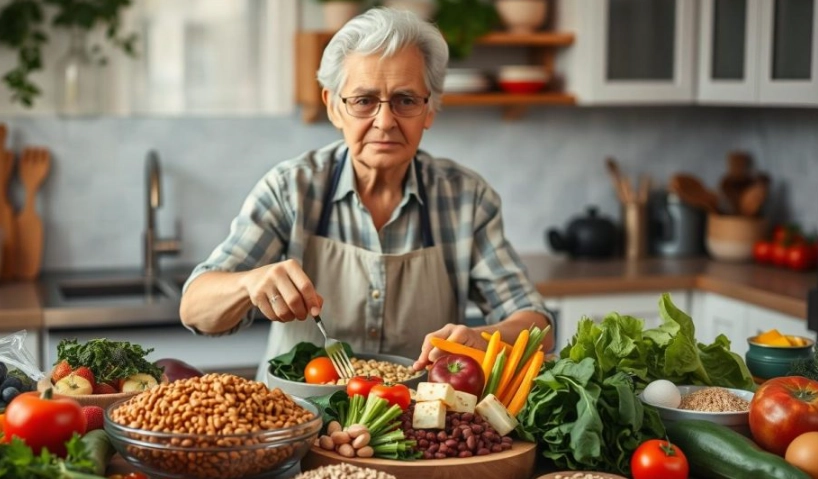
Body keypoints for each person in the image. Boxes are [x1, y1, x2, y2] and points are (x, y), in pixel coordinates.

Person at [179, 7, 554, 382]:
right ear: (332, 106)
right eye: (364, 100)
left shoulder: (466, 199)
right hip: (295, 425)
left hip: (415, 428)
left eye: (406, 100)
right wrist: (248, 282)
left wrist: (481, 337)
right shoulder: (290, 189)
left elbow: (538, 326)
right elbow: (195, 309)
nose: (385, 121)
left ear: (430, 110)